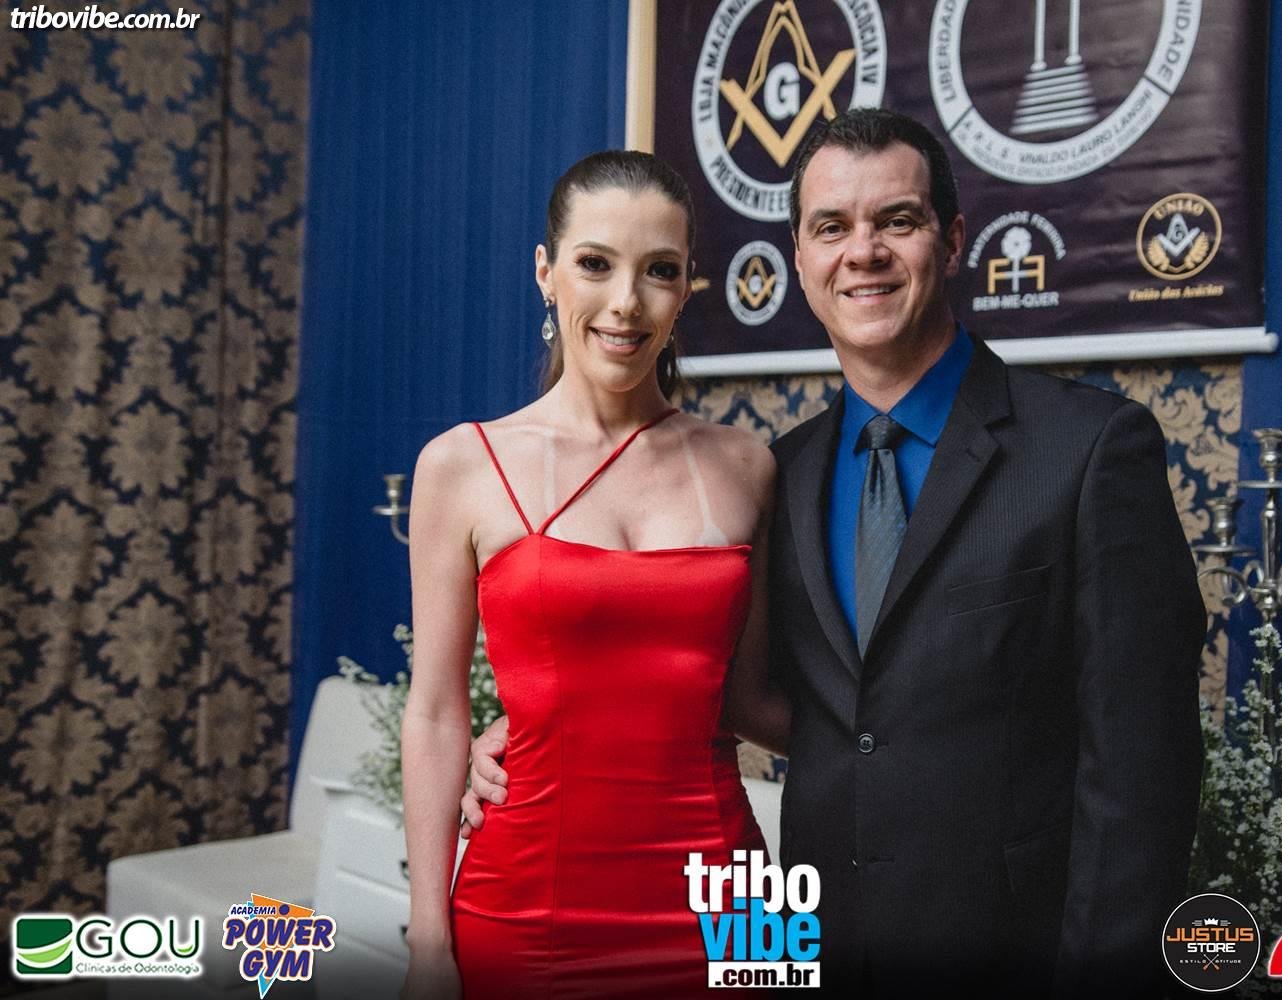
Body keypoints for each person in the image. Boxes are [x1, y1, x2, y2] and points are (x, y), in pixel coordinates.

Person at [464, 110, 1204, 997]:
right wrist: (532, 732)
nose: (863, 252)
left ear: (952, 240)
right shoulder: (780, 472)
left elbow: (1145, 770)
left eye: (897, 220)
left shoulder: (1088, 450)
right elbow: (739, 686)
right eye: (831, 227)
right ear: (802, 260)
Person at [400, 150, 788, 1000]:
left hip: (729, 898)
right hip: (526, 907)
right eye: (595, 264)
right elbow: (434, 713)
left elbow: (752, 701)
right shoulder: (462, 466)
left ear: (687, 288)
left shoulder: (747, 465)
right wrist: (428, 942)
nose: (626, 302)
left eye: (660, 271)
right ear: (546, 274)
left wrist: (927, 747)